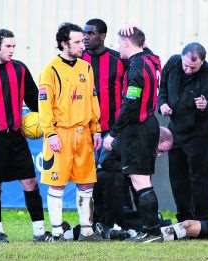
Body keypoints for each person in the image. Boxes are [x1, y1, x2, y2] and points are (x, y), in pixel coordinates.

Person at [0, 29, 48, 243]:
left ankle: (40, 231)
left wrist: (49, 121)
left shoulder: (20, 69)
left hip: (16, 136)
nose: (12, 50)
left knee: (30, 182)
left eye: (14, 46)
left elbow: (34, 101)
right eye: (8, 46)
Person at [38, 23, 102, 241]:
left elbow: (93, 99)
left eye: (82, 40)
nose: (82, 45)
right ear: (64, 44)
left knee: (86, 183)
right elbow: (44, 105)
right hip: (61, 133)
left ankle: (86, 230)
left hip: (83, 133)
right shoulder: (51, 69)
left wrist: (96, 129)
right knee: (57, 183)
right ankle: (56, 231)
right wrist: (51, 133)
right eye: (76, 41)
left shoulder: (86, 67)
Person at [103, 27, 162, 243]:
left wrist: (113, 133)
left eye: (119, 44)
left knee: (139, 179)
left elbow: (130, 104)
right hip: (148, 125)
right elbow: (145, 47)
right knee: (141, 178)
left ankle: (152, 231)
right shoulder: (151, 61)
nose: (118, 49)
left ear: (127, 44)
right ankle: (149, 229)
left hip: (138, 129)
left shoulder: (136, 67)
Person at [159, 42, 208, 221]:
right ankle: (183, 216)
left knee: (199, 178)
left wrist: (206, 105)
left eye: (193, 67)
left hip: (199, 135)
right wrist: (162, 104)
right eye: (185, 65)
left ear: (202, 62)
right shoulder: (172, 64)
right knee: (177, 177)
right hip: (176, 131)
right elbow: (162, 88)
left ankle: (201, 218)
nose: (187, 70)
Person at [81, 18, 127, 226]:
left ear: (102, 36)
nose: (86, 37)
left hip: (112, 130)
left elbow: (149, 60)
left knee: (113, 177)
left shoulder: (119, 60)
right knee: (87, 179)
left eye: (90, 33)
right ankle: (91, 221)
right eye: (85, 33)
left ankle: (114, 221)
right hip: (84, 130)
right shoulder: (79, 60)